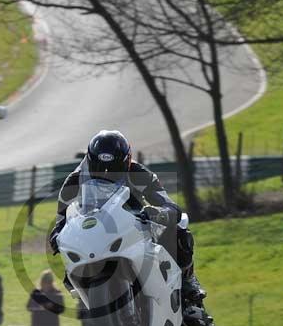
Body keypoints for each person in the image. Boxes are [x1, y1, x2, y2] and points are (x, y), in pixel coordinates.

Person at [48, 130, 205, 305]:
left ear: (126, 161)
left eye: (113, 169)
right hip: (95, 238)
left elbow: (169, 205)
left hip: (137, 229)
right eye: (100, 168)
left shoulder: (138, 173)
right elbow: (61, 221)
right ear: (90, 161)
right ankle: (96, 309)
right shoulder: (73, 183)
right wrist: (56, 236)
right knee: (70, 270)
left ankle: (188, 281)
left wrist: (160, 212)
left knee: (180, 227)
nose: (106, 173)